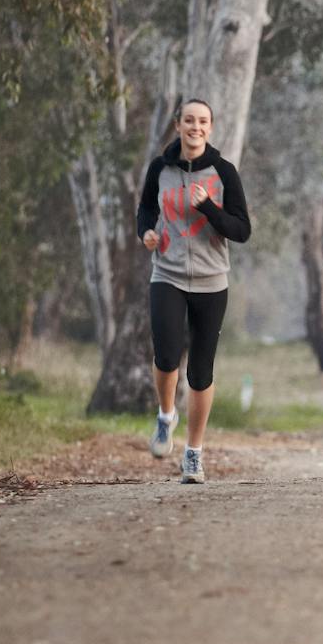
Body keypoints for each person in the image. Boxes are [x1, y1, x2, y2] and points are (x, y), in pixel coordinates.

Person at [137, 98, 251, 484]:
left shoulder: (223, 172)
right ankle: (166, 416)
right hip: (166, 274)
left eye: (202, 121)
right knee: (167, 355)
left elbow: (241, 230)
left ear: (211, 127)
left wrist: (208, 209)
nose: (195, 127)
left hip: (211, 280)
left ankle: (194, 454)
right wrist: (147, 233)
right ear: (178, 124)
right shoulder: (160, 168)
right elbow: (145, 211)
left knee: (201, 371)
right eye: (189, 120)